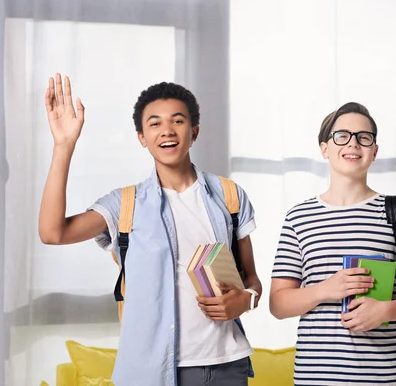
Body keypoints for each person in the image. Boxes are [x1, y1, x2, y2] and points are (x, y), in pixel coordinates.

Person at [38, 73, 262, 386]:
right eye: (154, 123)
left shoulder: (229, 196)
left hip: (227, 367)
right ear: (142, 137)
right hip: (150, 372)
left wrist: (246, 300)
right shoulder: (124, 205)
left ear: (194, 132)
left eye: (178, 121)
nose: (167, 131)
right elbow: (52, 233)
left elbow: (252, 280)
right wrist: (63, 145)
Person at [269, 102, 396, 385]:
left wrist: (387, 310)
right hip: (315, 378)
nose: (353, 143)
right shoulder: (298, 217)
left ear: (374, 151)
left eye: (364, 137)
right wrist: (327, 289)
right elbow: (278, 304)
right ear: (324, 148)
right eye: (342, 136)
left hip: (385, 377)